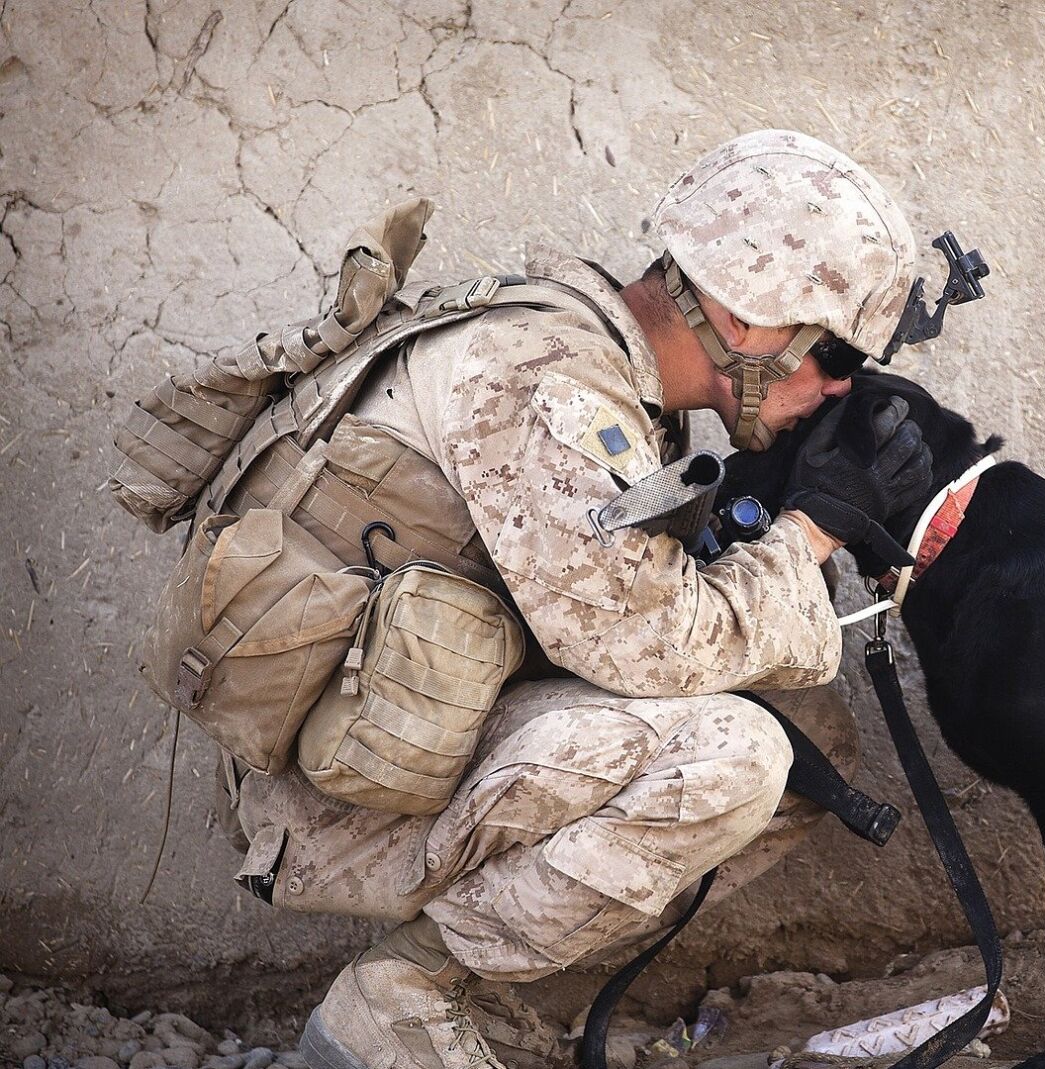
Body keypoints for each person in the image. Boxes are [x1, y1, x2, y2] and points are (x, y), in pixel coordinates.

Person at [229, 130, 939, 1069]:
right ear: (746, 318)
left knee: (813, 740)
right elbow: (650, 643)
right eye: (837, 354)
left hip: (408, 722)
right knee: (740, 755)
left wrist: (767, 496)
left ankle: (459, 989)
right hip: (334, 796)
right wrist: (808, 535)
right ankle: (404, 994)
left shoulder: (601, 356)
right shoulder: (546, 384)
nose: (844, 386)